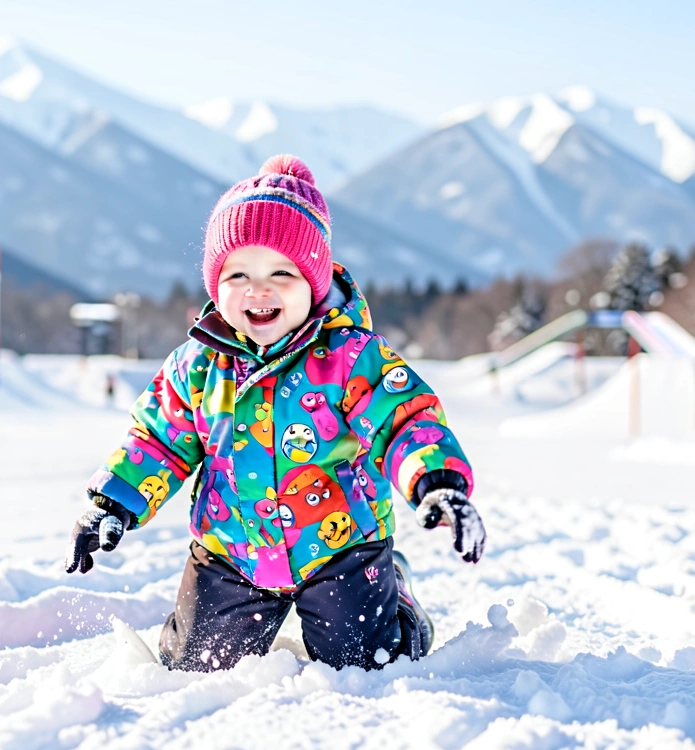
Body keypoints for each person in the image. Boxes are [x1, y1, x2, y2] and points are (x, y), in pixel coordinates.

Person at [66, 154, 485, 671]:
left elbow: (402, 420)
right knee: (195, 664)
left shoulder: (350, 358)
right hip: (231, 547)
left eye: (281, 272)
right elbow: (157, 440)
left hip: (340, 546)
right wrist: (113, 503)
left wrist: (436, 481)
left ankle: (398, 600)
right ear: (215, 284)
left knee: (368, 664)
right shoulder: (197, 366)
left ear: (313, 283)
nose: (257, 288)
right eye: (238, 272)